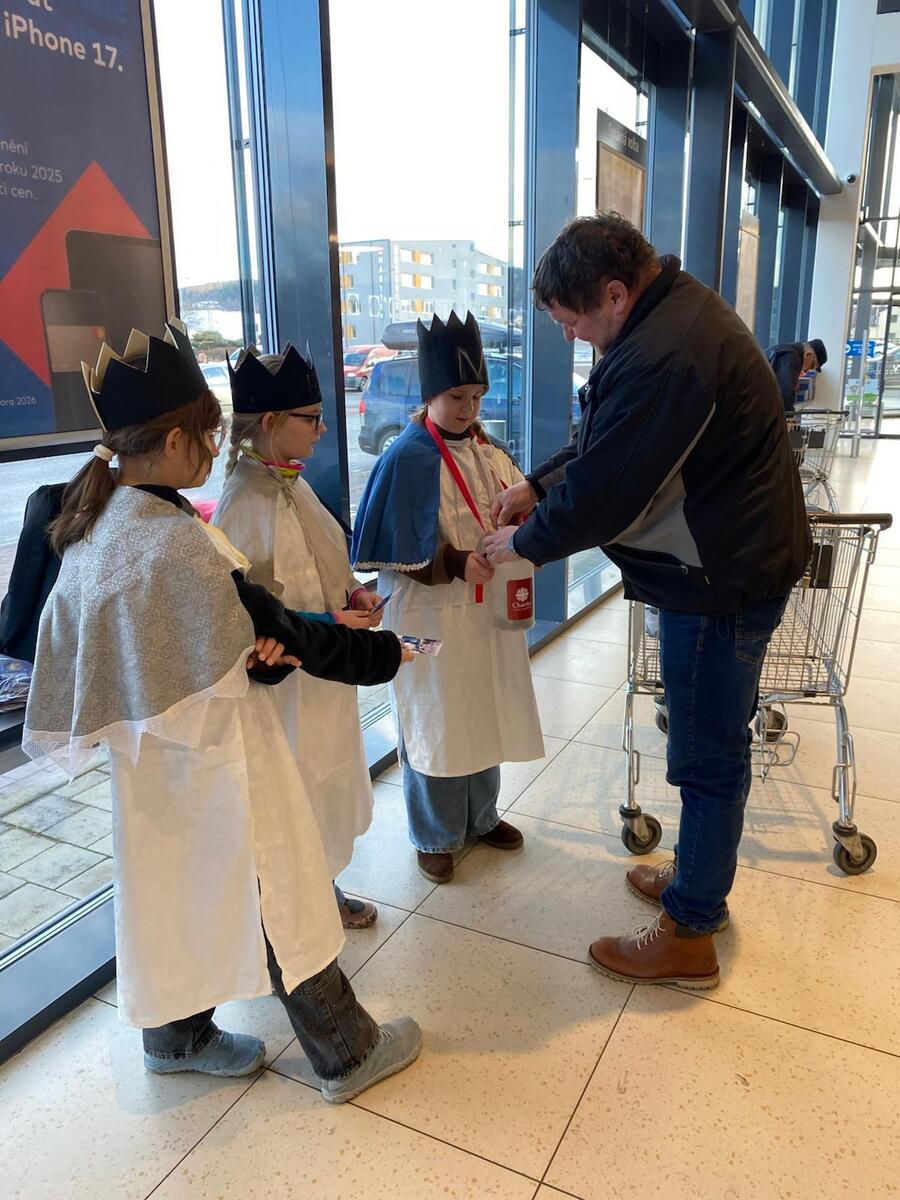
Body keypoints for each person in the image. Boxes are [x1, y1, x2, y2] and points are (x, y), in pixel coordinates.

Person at [23, 318, 421, 1103]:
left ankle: (176, 1038)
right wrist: (387, 655)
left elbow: (212, 645)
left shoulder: (98, 522)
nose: (213, 450)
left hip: (154, 770)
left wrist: (252, 658)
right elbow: (283, 632)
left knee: (176, 897)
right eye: (207, 436)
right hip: (224, 759)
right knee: (282, 892)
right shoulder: (176, 543)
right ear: (174, 442)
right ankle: (347, 1053)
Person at [484, 213, 811, 989]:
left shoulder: (668, 351)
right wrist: (539, 483)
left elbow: (608, 490)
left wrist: (524, 541)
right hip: (734, 563)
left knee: (706, 758)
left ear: (614, 293)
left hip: (719, 581)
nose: (570, 337)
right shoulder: (671, 318)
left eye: (570, 322)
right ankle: (698, 879)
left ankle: (691, 932)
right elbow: (612, 440)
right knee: (713, 747)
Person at [351, 311, 544, 885]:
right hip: (430, 617)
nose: (468, 408)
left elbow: (519, 511)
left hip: (484, 616)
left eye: (477, 396)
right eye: (457, 396)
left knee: (484, 707)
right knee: (434, 719)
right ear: (430, 393)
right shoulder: (405, 457)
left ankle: (481, 816)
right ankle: (434, 833)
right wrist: (454, 561)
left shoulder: (491, 451)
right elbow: (389, 548)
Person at [213, 344, 383, 930]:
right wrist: (332, 623)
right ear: (270, 421)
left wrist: (353, 595)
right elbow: (251, 615)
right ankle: (293, 907)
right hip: (287, 683)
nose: (322, 429)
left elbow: (325, 565)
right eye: (311, 418)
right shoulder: (243, 503)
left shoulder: (293, 483)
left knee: (326, 776)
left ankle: (322, 883)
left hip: (327, 674)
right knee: (295, 784)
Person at [765, 338, 827, 413]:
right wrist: (790, 415)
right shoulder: (792, 359)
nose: (806, 371)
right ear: (809, 355)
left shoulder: (787, 350)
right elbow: (786, 395)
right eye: (811, 367)